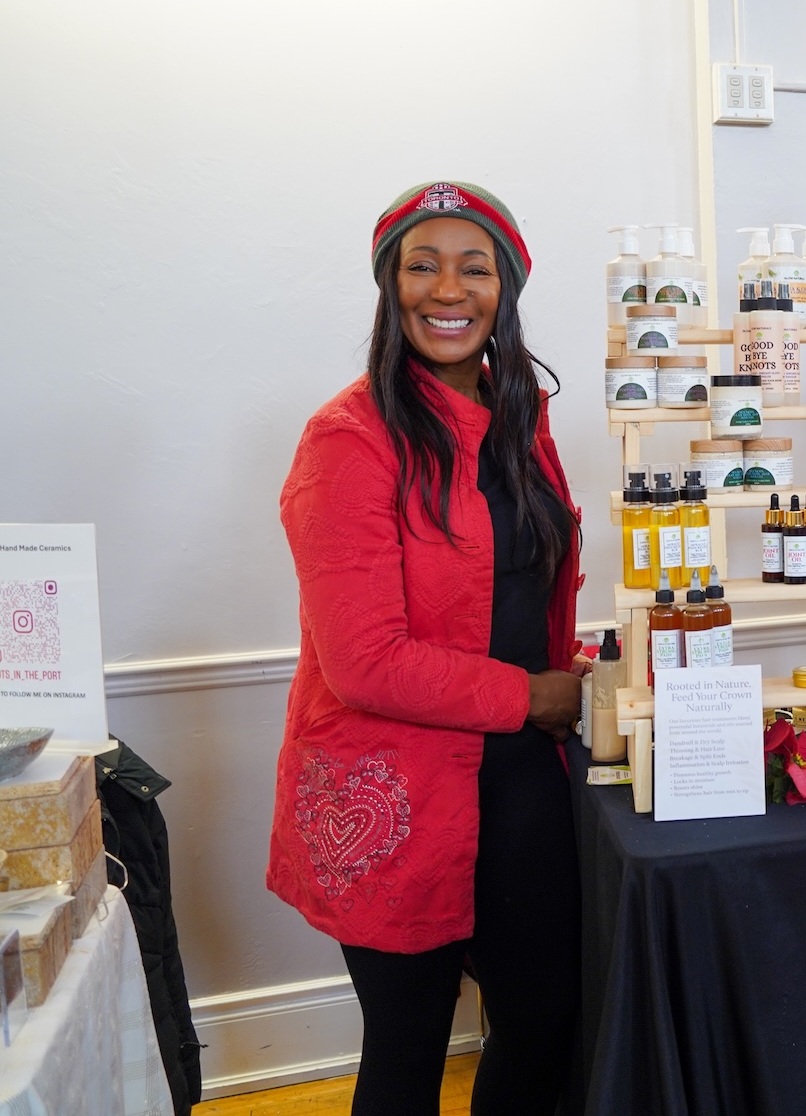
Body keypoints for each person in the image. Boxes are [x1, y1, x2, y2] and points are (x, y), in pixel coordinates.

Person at [268, 181, 585, 1115]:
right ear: (389, 285)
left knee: (545, 1025)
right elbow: (365, 657)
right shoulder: (348, 439)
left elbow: (523, 589)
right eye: (422, 264)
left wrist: (577, 673)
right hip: (395, 790)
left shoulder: (519, 417)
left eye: (474, 266)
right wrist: (536, 695)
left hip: (521, 784)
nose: (448, 289)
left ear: (506, 289)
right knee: (407, 1054)